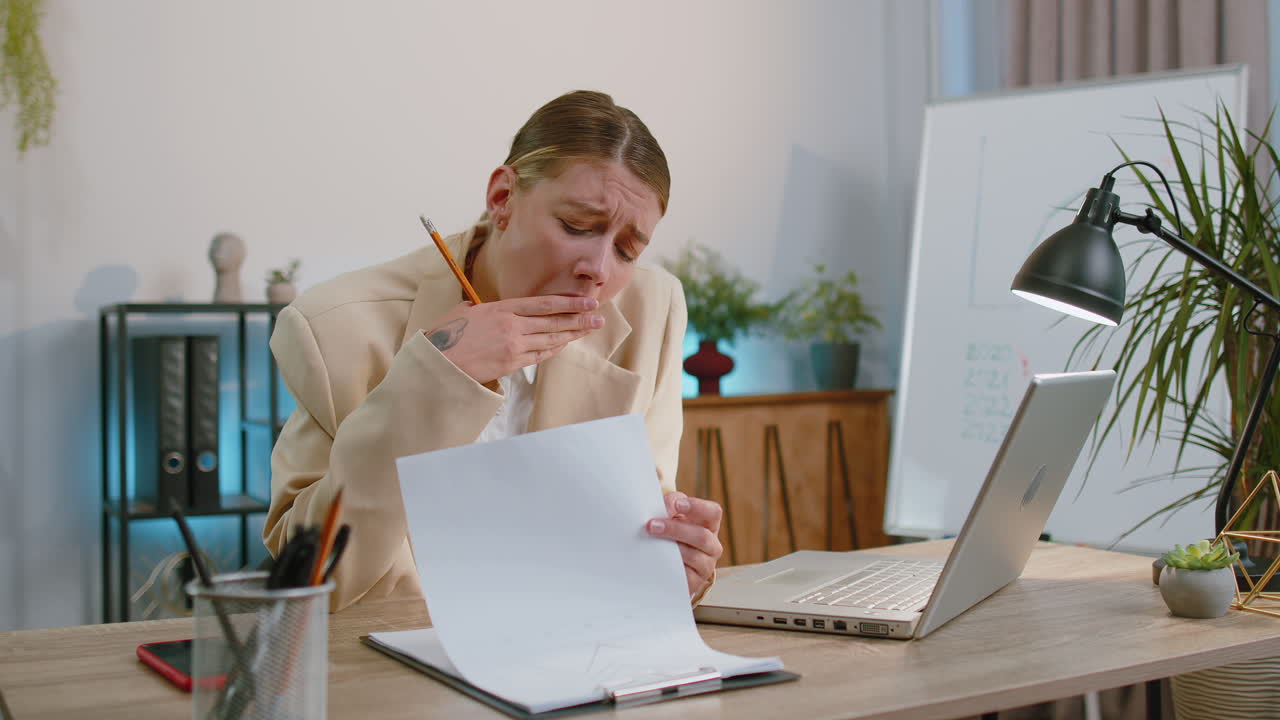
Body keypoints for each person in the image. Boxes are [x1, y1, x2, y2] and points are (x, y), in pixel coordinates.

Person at [264, 90, 724, 611]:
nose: (598, 268)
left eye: (626, 249)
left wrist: (673, 563)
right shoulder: (335, 328)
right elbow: (301, 584)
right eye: (577, 227)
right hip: (394, 663)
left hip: (572, 650)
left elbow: (648, 516)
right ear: (503, 197)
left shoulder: (652, 309)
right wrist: (429, 383)